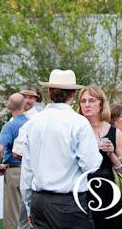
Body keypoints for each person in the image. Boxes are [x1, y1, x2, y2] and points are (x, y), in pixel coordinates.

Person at [21, 69, 102, 229]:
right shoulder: (78, 122)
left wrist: (28, 206)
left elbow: (27, 170)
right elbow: (91, 165)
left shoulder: (33, 122)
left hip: (40, 202)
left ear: (49, 91)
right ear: (73, 93)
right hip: (68, 204)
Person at [80, 86, 122, 229]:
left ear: (101, 103)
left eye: (91, 100)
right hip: (81, 190)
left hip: (107, 191)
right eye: (83, 101)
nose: (86, 105)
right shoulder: (75, 129)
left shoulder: (115, 133)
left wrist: (111, 154)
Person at [0, 93, 29, 229]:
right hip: (32, 171)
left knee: (12, 215)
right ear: (24, 106)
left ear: (9, 106)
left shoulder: (10, 126)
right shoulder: (32, 123)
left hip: (15, 170)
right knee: (28, 214)